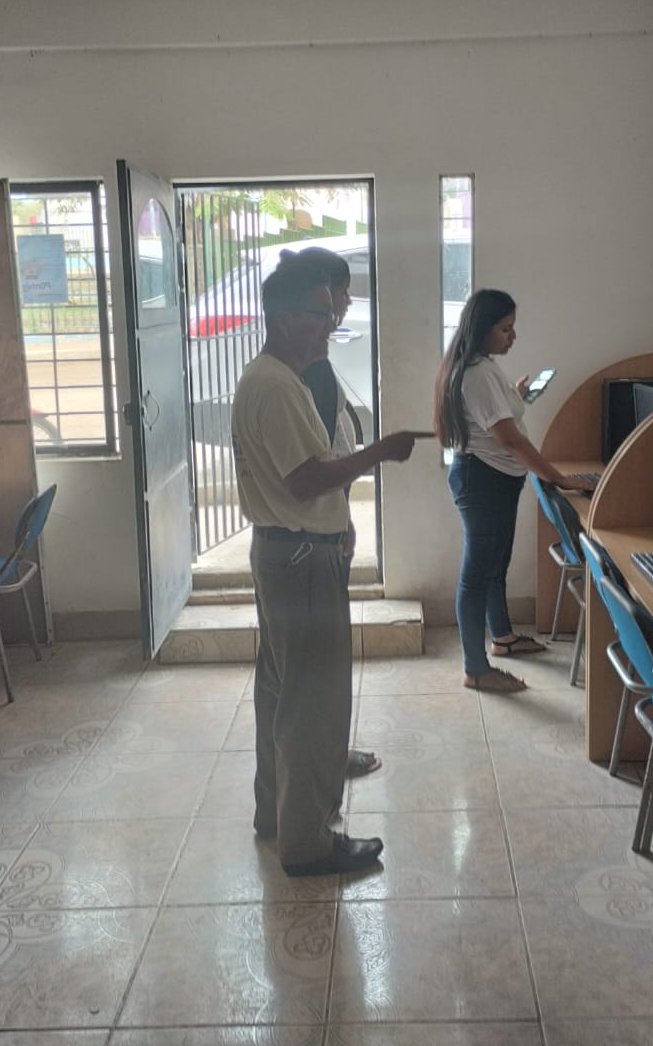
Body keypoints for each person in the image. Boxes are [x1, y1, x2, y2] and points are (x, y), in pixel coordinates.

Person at [231, 260, 416, 876]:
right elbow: (307, 480)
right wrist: (380, 452)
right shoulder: (280, 388)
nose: (331, 324)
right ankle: (309, 843)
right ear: (284, 319)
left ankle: (275, 814)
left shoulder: (269, 376)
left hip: (284, 554)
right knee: (313, 706)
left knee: (282, 693)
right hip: (302, 561)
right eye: (321, 313)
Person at [433, 288, 595, 694]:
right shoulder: (477, 374)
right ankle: (475, 669)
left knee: (495, 564)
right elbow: (510, 439)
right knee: (477, 574)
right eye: (505, 329)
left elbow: (497, 418)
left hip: (493, 479)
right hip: (483, 481)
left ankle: (503, 637)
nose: (513, 336)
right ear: (482, 329)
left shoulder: (482, 366)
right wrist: (557, 477)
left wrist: (516, 396)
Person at [278, 244, 381, 786]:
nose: (344, 306)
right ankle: (324, 760)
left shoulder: (307, 365)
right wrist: (342, 513)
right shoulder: (305, 372)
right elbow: (318, 462)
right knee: (320, 667)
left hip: (326, 520)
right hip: (316, 531)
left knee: (315, 665)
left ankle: (324, 756)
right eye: (341, 294)